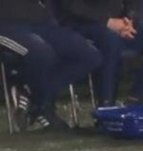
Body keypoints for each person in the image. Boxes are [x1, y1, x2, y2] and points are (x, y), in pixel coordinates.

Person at [0, 0, 102, 131]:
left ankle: (33, 97)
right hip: (6, 23)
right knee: (42, 52)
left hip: (42, 21)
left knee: (90, 56)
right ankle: (42, 105)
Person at [58, 0, 143, 106]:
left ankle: (135, 100)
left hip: (120, 23)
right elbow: (72, 5)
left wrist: (128, 20)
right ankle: (106, 105)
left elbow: (132, 4)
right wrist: (107, 21)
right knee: (111, 41)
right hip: (82, 23)